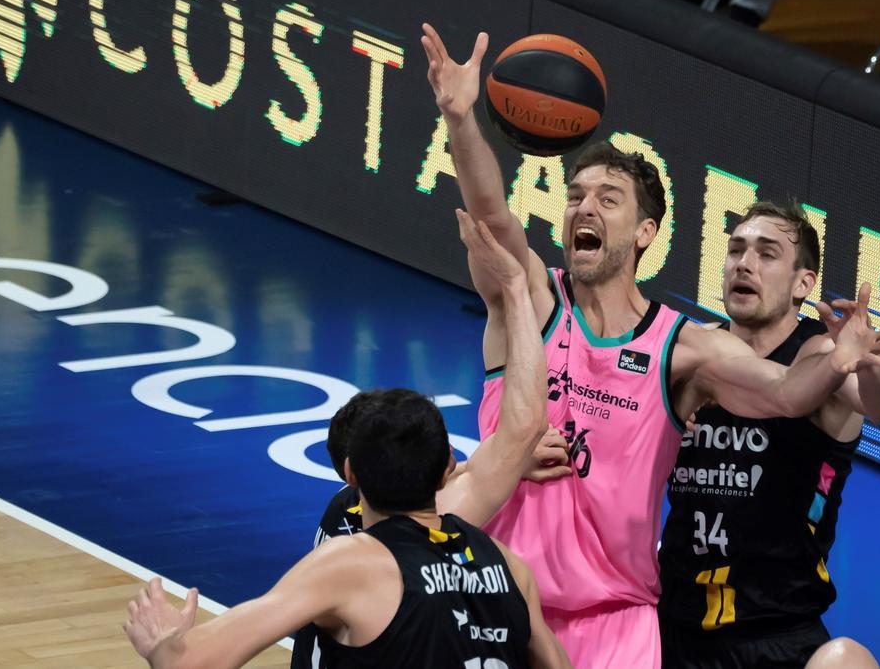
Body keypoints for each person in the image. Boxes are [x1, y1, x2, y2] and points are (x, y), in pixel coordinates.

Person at [420, 23, 880, 668]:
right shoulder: (529, 298)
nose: (583, 208)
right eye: (575, 196)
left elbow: (791, 395)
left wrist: (846, 358)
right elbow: (490, 216)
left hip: (620, 621)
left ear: (646, 231)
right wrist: (460, 118)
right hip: (500, 597)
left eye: (607, 199)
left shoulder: (686, 347)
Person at [124, 211, 571, 669]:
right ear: (447, 467)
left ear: (350, 473)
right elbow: (520, 430)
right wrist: (516, 289)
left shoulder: (348, 561)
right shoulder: (508, 569)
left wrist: (164, 642)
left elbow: (190, 664)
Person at [657, 201, 880, 667]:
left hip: (777, 632)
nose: (744, 264)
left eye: (767, 254)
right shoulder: (693, 350)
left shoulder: (820, 357)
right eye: (735, 250)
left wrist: (866, 360)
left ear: (803, 283)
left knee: (847, 661)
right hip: (670, 622)